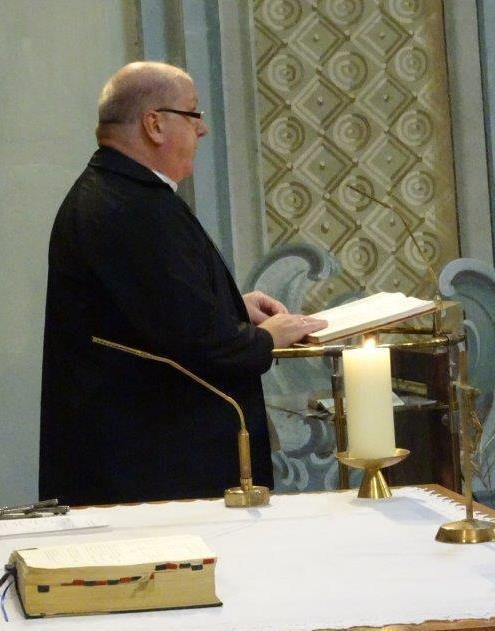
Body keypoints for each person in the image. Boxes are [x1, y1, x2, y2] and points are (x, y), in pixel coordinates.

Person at [39, 62, 326, 506]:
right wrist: (267, 338)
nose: (203, 129)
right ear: (154, 124)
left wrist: (232, 306)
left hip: (144, 461)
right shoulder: (130, 208)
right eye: (193, 114)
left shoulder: (123, 193)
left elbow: (153, 313)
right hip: (154, 473)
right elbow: (195, 341)